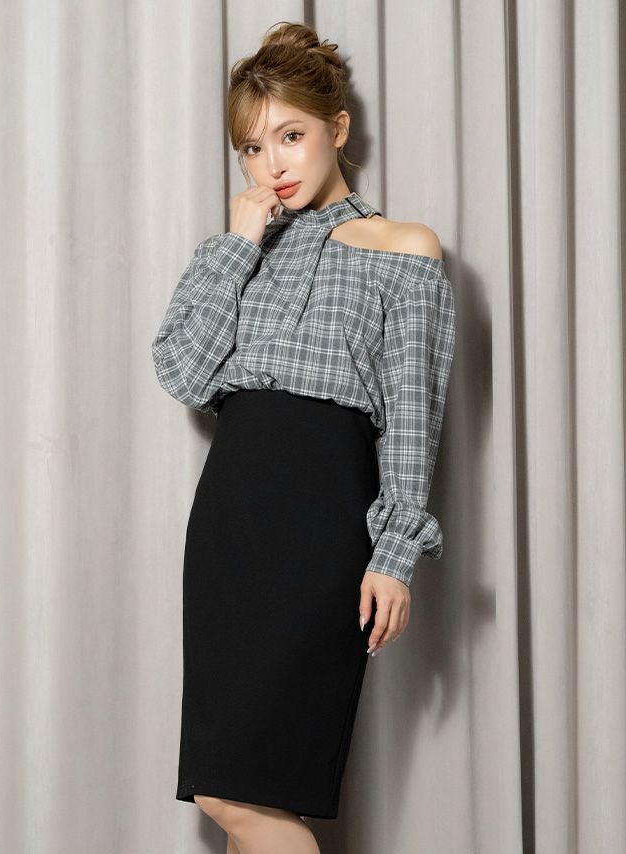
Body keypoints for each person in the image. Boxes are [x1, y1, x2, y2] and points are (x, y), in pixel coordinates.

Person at [151, 19, 456, 854]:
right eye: (252, 149)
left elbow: (413, 416)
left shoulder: (405, 249)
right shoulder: (235, 252)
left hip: (322, 523)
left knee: (242, 787)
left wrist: (393, 555)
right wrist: (238, 245)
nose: (272, 165)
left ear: (337, 129)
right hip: (230, 521)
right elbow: (183, 372)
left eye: (290, 136)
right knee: (227, 783)